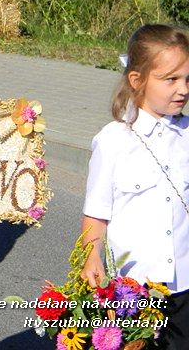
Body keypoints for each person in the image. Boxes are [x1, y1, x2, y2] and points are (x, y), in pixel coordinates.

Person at [81, 24, 189, 350]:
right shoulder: (114, 141)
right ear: (137, 80)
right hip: (134, 290)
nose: (182, 89)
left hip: (183, 286)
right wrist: (92, 258)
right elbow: (96, 213)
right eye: (170, 80)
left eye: (188, 79)